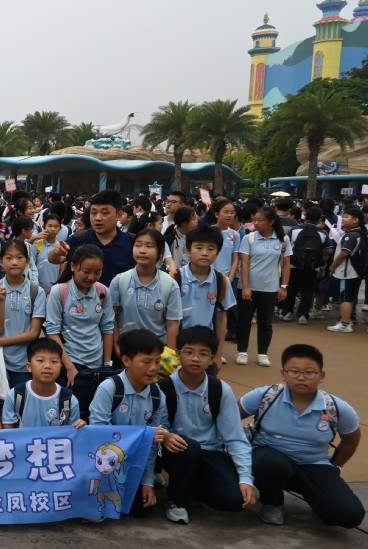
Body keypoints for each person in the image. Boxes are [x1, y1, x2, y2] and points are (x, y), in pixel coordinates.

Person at [240, 343, 363, 527]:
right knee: (267, 461)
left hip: (313, 465)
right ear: (283, 374)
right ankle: (272, 502)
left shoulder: (336, 407)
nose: (301, 377)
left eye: (309, 372)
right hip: (270, 462)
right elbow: (228, 419)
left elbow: (351, 440)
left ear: (321, 376)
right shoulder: (266, 396)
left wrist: (334, 467)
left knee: (349, 515)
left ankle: (316, 496)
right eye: (294, 371)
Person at [156, 326, 255, 525]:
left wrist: (246, 478)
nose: (195, 359)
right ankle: (176, 501)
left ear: (212, 359)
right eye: (189, 352)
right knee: (189, 449)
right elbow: (157, 427)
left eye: (203, 354)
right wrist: (165, 436)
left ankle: (191, 486)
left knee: (234, 500)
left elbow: (235, 437)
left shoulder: (219, 389)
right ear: (178, 354)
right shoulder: (164, 387)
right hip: (175, 451)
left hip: (210, 452)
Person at [87, 329, 167, 516]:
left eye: (157, 361)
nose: (153, 368)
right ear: (126, 361)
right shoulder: (109, 388)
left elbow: (153, 445)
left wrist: (147, 481)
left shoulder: (157, 395)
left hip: (135, 463)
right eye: (146, 362)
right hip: (105, 464)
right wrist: (144, 436)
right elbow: (98, 433)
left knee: (141, 510)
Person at [44, 244, 115, 422]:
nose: (91, 277)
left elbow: (107, 328)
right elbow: (52, 332)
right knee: (68, 415)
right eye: (86, 271)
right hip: (70, 361)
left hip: (97, 365)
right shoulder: (59, 291)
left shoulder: (103, 292)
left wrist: (106, 364)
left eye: (97, 272)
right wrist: (69, 368)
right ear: (73, 266)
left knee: (92, 414)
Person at [234, 206, 291, 367]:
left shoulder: (282, 240)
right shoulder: (249, 238)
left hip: (270, 288)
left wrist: (284, 286)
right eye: (255, 220)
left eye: (260, 220)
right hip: (248, 287)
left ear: (271, 221)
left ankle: (262, 353)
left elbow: (286, 264)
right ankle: (242, 351)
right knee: (244, 320)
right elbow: (244, 263)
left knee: (265, 323)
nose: (256, 223)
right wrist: (246, 287)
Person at [0, 238, 47, 389]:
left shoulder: (36, 291)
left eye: (19, 257)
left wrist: (1, 341)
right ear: (1, 261)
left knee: (21, 398)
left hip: (25, 363)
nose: (14, 262)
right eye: (9, 258)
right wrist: (1, 301)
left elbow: (34, 333)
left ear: (27, 261)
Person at [174, 226, 235, 372]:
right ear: (188, 251)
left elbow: (221, 318)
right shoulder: (175, 278)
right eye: (199, 247)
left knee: (206, 383)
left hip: (206, 349)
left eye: (211, 249)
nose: (205, 253)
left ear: (218, 253)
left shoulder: (221, 281)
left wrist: (218, 355)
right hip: (179, 348)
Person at [111, 228, 182, 351]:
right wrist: (118, 349)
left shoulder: (170, 284)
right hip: (126, 349)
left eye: (149, 246)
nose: (142, 250)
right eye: (137, 245)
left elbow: (172, 324)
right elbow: (112, 319)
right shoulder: (120, 281)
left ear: (161, 252)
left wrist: (170, 356)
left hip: (158, 351)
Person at [47, 190, 134, 287]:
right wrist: (56, 251)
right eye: (94, 213)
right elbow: (54, 259)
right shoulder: (80, 239)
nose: (97, 218)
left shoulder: (132, 242)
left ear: (119, 215)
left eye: (105, 213)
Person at [0, 338, 82, 429]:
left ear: (60, 367)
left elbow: (72, 435)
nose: (47, 366)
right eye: (40, 360)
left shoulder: (69, 401)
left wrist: (79, 427)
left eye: (54, 361)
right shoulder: (15, 396)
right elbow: (8, 434)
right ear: (29, 366)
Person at [327, 206, 365, 333]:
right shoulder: (359, 233)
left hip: (346, 272)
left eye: (346, 217)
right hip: (353, 271)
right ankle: (347, 321)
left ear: (355, 220)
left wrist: (333, 266)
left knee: (345, 298)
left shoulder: (351, 235)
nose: (343, 219)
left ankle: (344, 324)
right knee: (349, 297)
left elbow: (344, 253)